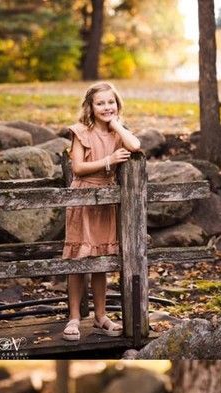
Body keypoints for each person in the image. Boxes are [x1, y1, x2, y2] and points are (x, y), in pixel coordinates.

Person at [62, 82, 141, 342]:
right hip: (84, 198)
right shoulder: (81, 132)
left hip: (106, 201)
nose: (106, 107)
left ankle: (101, 316)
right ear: (90, 107)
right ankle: (74, 317)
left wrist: (116, 124)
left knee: (100, 262)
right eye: (101, 103)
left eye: (111, 102)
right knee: (77, 260)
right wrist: (108, 160)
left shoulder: (118, 133)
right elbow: (78, 168)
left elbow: (136, 145)